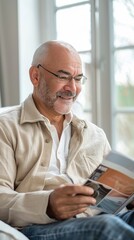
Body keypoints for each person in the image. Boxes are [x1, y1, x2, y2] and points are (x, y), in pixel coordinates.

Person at [0, 40, 133, 240]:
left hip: (95, 219)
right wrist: (48, 205)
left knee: (109, 223)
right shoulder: (6, 127)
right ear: (35, 76)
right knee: (106, 227)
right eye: (63, 77)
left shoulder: (95, 135)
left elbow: (109, 199)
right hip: (39, 228)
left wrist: (128, 199)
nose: (72, 88)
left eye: (78, 79)